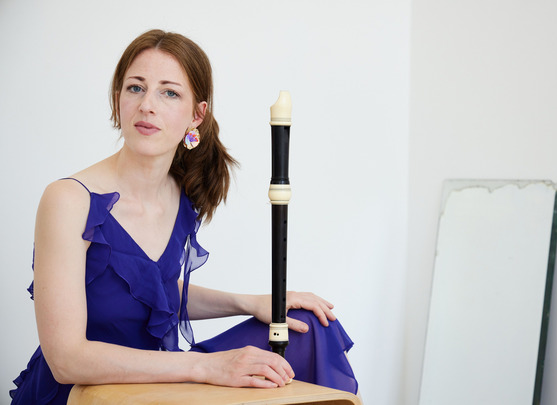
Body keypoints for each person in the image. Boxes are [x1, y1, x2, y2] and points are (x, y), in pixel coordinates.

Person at [9, 29, 357, 404]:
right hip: (85, 393)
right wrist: (208, 367)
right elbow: (66, 360)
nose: (147, 105)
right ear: (117, 99)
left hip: (159, 381)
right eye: (136, 88)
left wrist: (253, 302)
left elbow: (149, 292)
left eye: (169, 93)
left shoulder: (180, 195)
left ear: (197, 115)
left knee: (309, 328)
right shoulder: (68, 200)